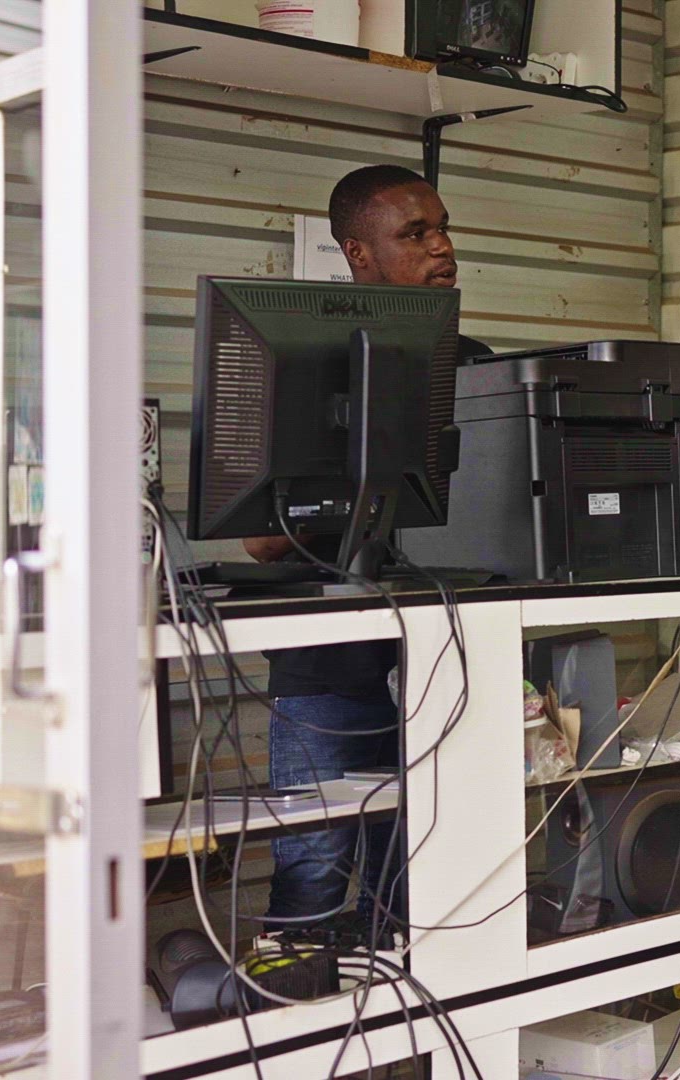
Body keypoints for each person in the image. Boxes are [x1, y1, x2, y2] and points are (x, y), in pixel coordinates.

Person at [245, 164, 486, 928]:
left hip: (440, 667)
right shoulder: (305, 358)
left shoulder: (477, 366)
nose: (442, 248)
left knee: (413, 887)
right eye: (415, 234)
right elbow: (260, 540)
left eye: (442, 229)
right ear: (357, 252)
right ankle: (291, 1002)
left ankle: (397, 1009)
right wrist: (362, 467)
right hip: (329, 672)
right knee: (313, 880)